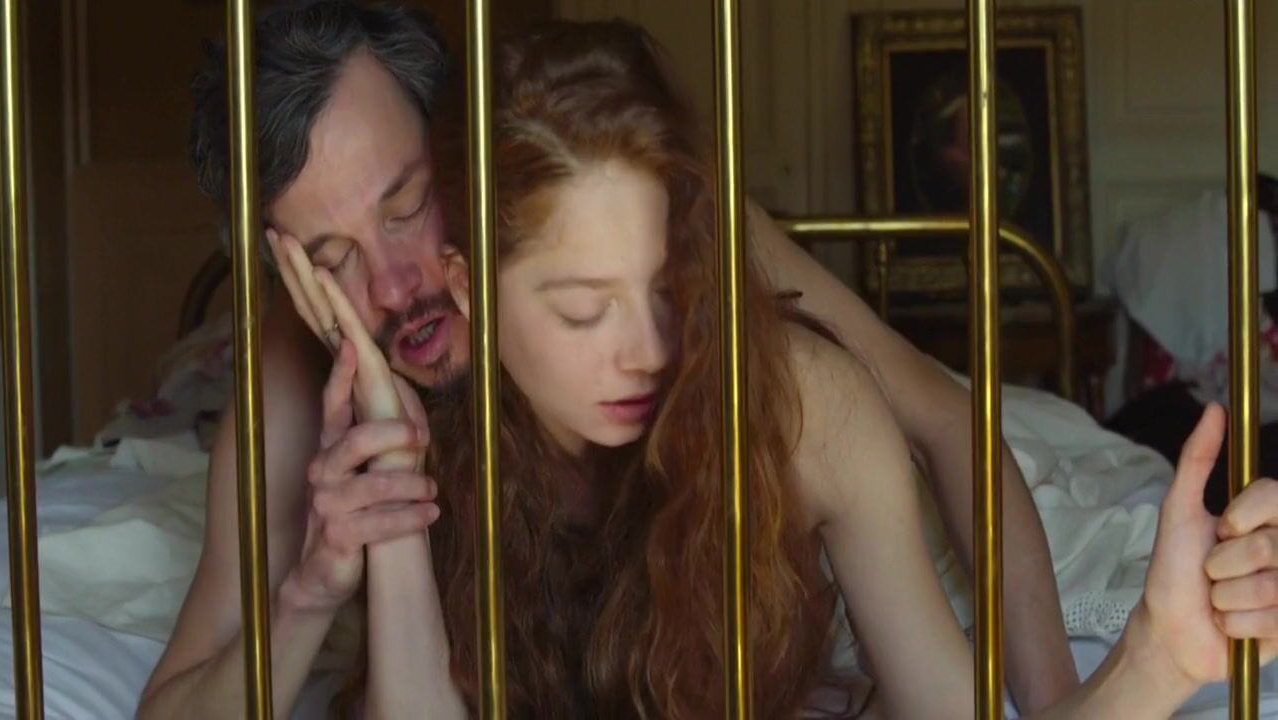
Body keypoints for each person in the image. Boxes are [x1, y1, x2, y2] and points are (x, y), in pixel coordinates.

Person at [270, 20, 1278, 717]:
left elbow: (943, 419)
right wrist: (388, 464)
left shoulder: (800, 399)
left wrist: (1138, 665)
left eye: (666, 288)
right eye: (581, 309)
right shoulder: (421, 394)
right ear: (469, 283)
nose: (648, 349)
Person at [141, 1, 1075, 716]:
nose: (393, 287)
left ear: (471, 154)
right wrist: (308, 595)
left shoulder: (664, 242)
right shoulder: (296, 375)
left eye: (408, 207)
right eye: (333, 258)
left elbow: (944, 419)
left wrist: (1053, 702)